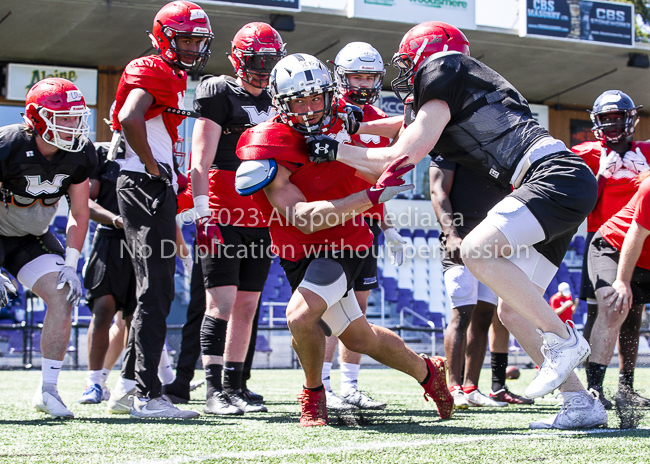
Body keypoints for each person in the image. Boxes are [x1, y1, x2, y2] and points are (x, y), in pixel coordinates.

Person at [305, 21, 606, 429]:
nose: (408, 71)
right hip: (561, 182)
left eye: (410, 61)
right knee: (514, 312)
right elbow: (400, 127)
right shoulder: (458, 91)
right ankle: (579, 404)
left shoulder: (444, 68)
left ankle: (563, 339)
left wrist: (335, 147)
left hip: (552, 176)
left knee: (476, 250)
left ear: (429, 53)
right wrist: (353, 127)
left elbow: (396, 159)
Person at [234, 53, 454, 427]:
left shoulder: (348, 116)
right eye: (298, 101)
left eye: (315, 98)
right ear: (279, 102)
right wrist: (368, 198)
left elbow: (407, 131)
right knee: (360, 338)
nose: (308, 110)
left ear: (329, 94)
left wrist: (392, 123)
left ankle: (313, 395)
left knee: (301, 317)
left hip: (345, 243)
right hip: (300, 245)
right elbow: (302, 220)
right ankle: (429, 373)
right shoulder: (267, 140)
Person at [108, 0, 212, 419]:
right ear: (164, 36)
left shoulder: (171, 74)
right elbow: (131, 118)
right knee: (156, 289)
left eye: (197, 40)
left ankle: (126, 387)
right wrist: (155, 170)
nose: (191, 47)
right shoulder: (152, 68)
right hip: (143, 183)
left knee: (157, 288)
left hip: (150, 184)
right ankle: (148, 395)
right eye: (184, 38)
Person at [189, 22, 285, 416]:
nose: (263, 68)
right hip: (223, 209)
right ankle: (213, 391)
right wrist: (202, 213)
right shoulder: (217, 90)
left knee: (248, 305)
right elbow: (199, 159)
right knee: (221, 304)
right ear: (237, 58)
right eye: (256, 60)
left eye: (269, 60)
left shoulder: (279, 98)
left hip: (261, 214)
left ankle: (234, 384)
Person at [0, 77, 97, 419]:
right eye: (65, 117)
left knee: (61, 292)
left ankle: (48, 390)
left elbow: (80, 212)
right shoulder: (7, 144)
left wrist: (71, 263)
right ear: (36, 117)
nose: (73, 125)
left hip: (30, 236)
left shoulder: (81, 152)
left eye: (76, 117)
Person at [320, 41, 405, 412]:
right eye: (356, 75)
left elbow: (381, 180)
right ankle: (319, 385)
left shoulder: (374, 116)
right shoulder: (325, 111)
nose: (363, 82)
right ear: (340, 75)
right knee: (326, 309)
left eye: (370, 76)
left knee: (358, 309)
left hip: (366, 221)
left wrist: (388, 226)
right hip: (333, 218)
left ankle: (349, 387)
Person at [430, 155, 532, 408]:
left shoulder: (500, 151)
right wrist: (450, 234)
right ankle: (453, 387)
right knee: (462, 313)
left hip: (492, 242)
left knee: (485, 314)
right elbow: (437, 189)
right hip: (460, 239)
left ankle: (470, 387)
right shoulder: (448, 148)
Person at [570, 90, 650, 408]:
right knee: (603, 309)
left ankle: (625, 387)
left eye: (618, 118)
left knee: (632, 314)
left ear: (631, 120)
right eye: (607, 119)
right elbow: (577, 200)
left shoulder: (645, 151)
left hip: (641, 243)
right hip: (605, 238)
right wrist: (601, 175)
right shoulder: (586, 153)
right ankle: (593, 386)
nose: (613, 125)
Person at [587, 171, 650, 409]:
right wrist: (623, 281)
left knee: (633, 322)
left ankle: (626, 390)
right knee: (615, 306)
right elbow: (635, 235)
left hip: (647, 258)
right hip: (614, 247)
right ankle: (594, 392)